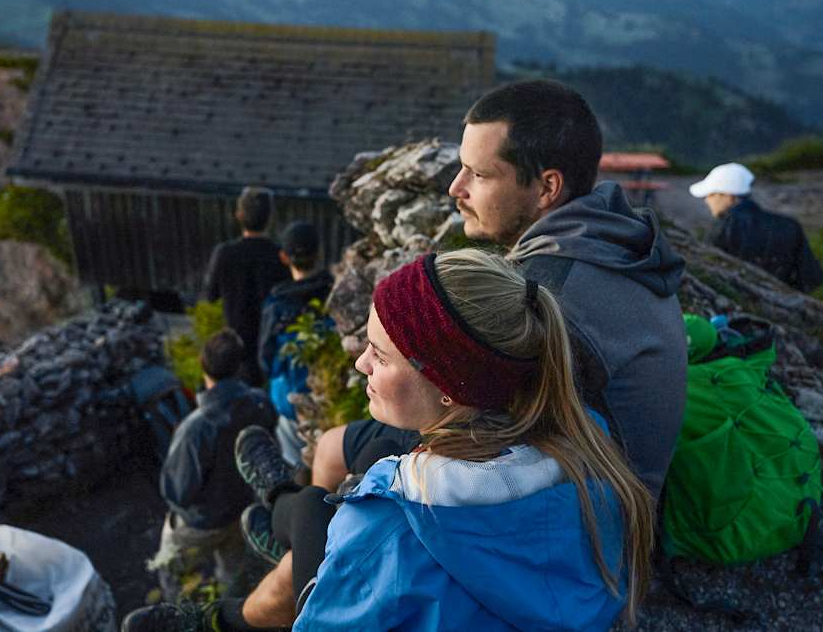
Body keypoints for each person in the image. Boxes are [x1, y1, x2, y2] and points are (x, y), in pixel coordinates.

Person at [177, 78, 686, 629]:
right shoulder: (612, 234)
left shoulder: (551, 300)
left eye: (479, 173)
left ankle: (270, 552)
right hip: (582, 477)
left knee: (330, 477)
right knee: (331, 455)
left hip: (572, 517)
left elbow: (472, 417)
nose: (454, 187)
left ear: (547, 188)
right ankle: (287, 520)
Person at [123, 250, 656, 631]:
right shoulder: (592, 452)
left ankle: (224, 610)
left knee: (311, 508)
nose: (359, 363)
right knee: (310, 509)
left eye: (379, 355)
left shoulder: (388, 527)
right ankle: (277, 504)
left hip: (376, 564)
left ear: (448, 387)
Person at [148, 329, 277, 601]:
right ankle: (231, 616)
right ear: (240, 366)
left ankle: (181, 616)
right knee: (235, 579)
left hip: (201, 523)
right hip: (242, 509)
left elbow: (177, 491)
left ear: (201, 363)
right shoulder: (260, 402)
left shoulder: (195, 428)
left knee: (173, 573)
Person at [256, 221, 333, 468]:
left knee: (295, 463)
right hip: (330, 396)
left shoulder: (277, 304)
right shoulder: (334, 293)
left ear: (284, 257)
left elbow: (266, 358)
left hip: (289, 400)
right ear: (319, 253)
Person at [202, 187, 291, 387]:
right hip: (269, 342)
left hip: (236, 344)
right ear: (269, 218)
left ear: (238, 215)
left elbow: (210, 295)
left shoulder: (224, 253)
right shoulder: (278, 255)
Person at [690, 162, 823, 292]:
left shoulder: (723, 227)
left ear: (728, 196)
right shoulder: (789, 225)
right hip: (783, 305)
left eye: (711, 194)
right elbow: (811, 277)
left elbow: (708, 270)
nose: (707, 200)